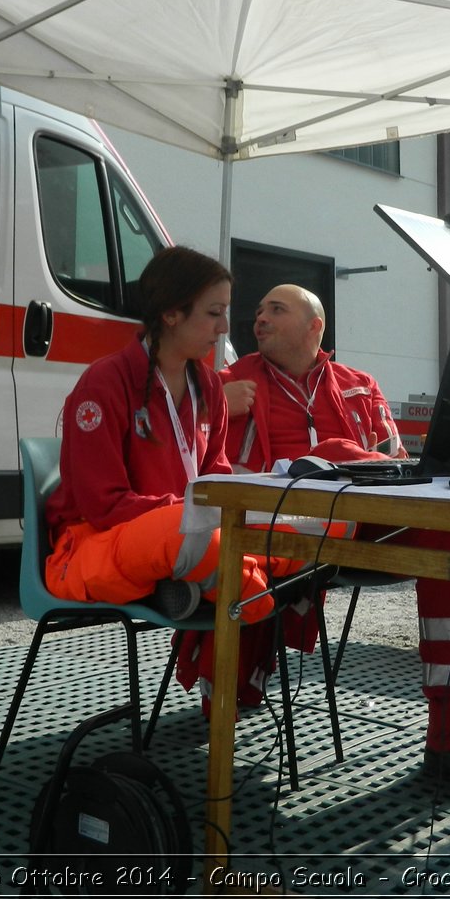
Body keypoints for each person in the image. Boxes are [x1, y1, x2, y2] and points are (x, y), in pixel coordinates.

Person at [218, 284, 450, 803]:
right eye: (258, 310)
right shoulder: (227, 384)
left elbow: (397, 466)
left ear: (316, 326)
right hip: (271, 526)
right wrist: (213, 407)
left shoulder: (360, 385)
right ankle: (227, 693)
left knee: (447, 538)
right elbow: (190, 458)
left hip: (362, 520)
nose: (259, 319)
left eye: (276, 309)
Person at [47, 246, 287, 651]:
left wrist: (238, 510)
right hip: (96, 542)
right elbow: (103, 507)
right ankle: (244, 591)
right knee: (194, 537)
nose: (224, 326)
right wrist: (197, 513)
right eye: (214, 313)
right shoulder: (104, 382)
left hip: (182, 532)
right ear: (171, 313)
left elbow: (218, 481)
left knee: (312, 520)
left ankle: (193, 581)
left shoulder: (209, 385)